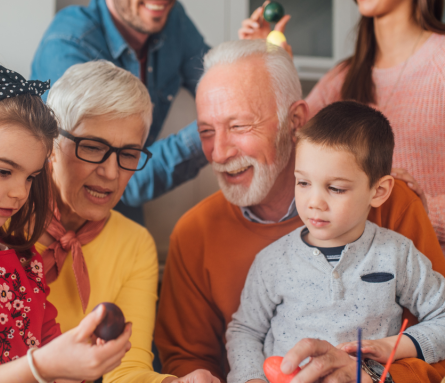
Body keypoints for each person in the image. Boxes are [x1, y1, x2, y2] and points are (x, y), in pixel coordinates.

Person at [154, 40, 445, 383]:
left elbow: (436, 342)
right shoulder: (194, 234)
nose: (218, 152)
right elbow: (188, 359)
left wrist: (370, 377)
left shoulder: (394, 209)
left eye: (239, 126)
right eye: (206, 131)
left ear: (294, 121)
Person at [225, 101, 445, 383]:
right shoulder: (271, 261)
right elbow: (244, 331)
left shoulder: (398, 254)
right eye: (303, 183)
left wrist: (391, 347)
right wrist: (251, 379)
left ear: (378, 191)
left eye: (336, 188)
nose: (314, 202)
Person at [0, 60, 132, 382]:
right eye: (4, 171)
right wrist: (42, 367)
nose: (20, 193)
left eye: (31, 177)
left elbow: (47, 346)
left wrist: (81, 357)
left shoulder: (23, 255)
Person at [36, 60, 219, 383]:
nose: (111, 172)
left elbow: (126, 370)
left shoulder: (134, 244)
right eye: (92, 147)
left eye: (129, 154)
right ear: (51, 143)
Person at [240, 0, 445, 251]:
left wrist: (422, 210)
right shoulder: (344, 76)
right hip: (355, 272)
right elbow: (288, 142)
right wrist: (273, 69)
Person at [31, 0, 211, 223]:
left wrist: (248, 64)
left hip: (121, 202)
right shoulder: (69, 42)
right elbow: (129, 182)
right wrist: (210, 132)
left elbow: (218, 81)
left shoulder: (172, 17)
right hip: (57, 209)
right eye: (93, 147)